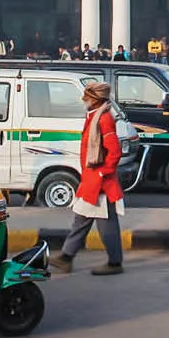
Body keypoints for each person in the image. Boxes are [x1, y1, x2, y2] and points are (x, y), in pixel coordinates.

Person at [49, 82, 125, 276]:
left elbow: (114, 152)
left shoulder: (104, 119)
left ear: (96, 100)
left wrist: (102, 173)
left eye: (88, 98)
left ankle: (114, 263)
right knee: (82, 219)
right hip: (92, 179)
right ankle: (66, 257)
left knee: (104, 224)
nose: (85, 101)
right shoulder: (96, 116)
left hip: (100, 181)